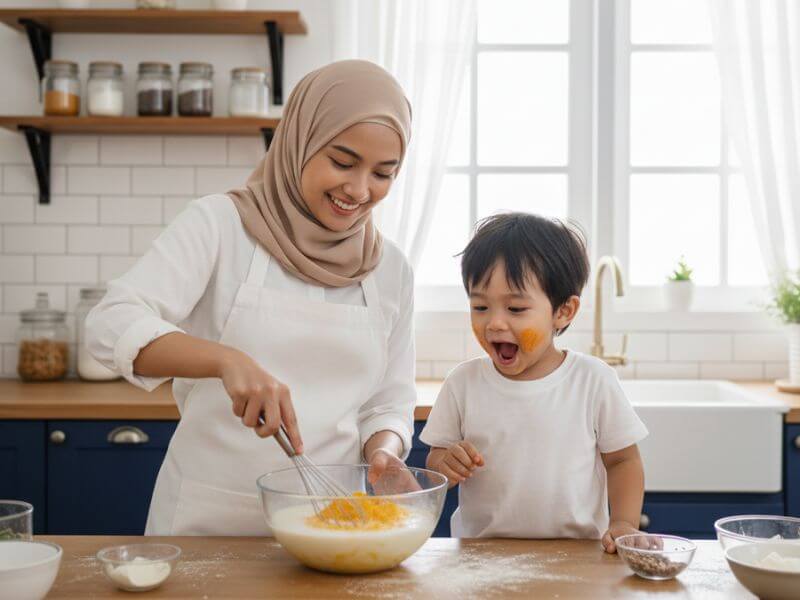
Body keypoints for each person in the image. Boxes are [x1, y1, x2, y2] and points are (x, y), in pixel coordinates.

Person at [86, 60, 416, 535]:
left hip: (331, 525)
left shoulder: (390, 269)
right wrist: (224, 360)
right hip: (208, 522)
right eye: (342, 162)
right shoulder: (220, 225)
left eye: (383, 173)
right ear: (299, 140)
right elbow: (108, 325)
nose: (359, 189)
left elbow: (387, 401)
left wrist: (383, 451)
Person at [420, 212, 648, 552]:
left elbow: (623, 461)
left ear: (563, 311)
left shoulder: (593, 381)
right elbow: (436, 459)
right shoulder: (463, 383)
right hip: (480, 555)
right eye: (480, 306)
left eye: (515, 309)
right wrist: (446, 463)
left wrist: (624, 522)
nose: (494, 323)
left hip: (578, 555)